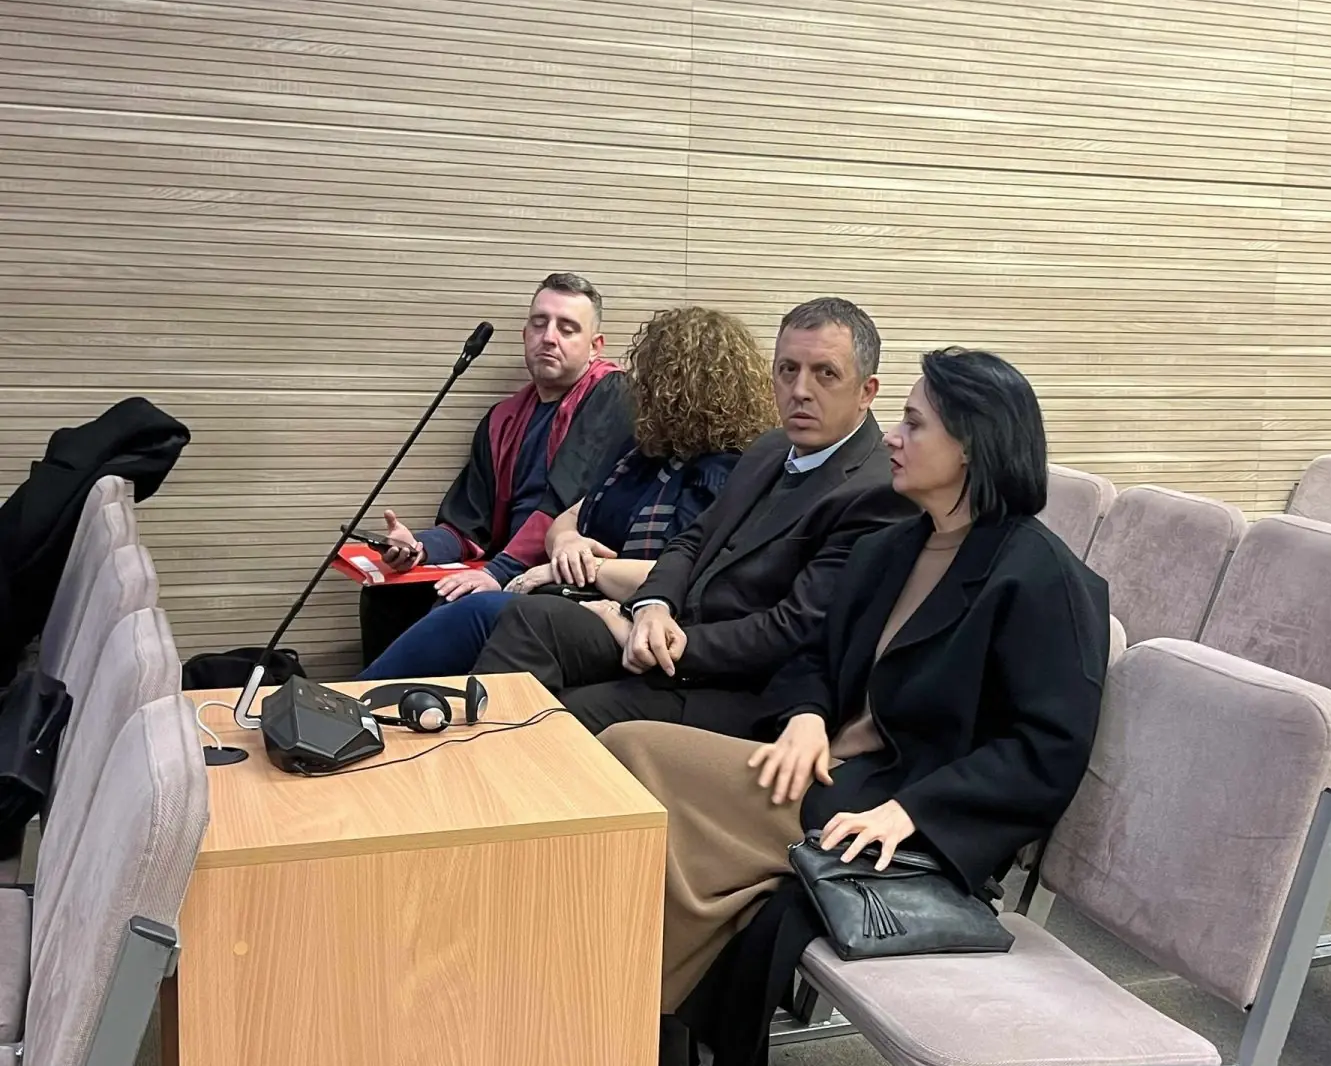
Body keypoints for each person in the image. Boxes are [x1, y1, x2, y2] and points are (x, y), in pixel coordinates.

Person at [596, 348, 1112, 1066]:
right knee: (638, 779)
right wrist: (807, 716)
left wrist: (913, 812)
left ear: (972, 446)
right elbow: (813, 655)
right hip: (827, 771)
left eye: (914, 423)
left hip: (897, 811)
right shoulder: (893, 545)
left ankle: (628, 1036)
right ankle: (635, 1040)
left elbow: (1046, 749)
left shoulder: (1045, 579)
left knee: (632, 759)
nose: (893, 438)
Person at [470, 297, 916, 736]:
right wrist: (653, 606)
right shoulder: (772, 447)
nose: (800, 390)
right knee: (530, 619)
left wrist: (654, 638)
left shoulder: (875, 491)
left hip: (747, 688)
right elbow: (691, 541)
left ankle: (498, 765)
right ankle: (477, 766)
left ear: (866, 392)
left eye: (825, 373)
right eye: (787, 369)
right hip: (673, 630)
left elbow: (793, 630)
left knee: (562, 716)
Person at [355, 306, 780, 680]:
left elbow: (688, 578)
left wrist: (577, 569)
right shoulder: (643, 456)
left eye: (651, 379)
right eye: (539, 323)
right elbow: (567, 516)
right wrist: (567, 542)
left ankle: (356, 708)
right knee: (400, 599)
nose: (639, 391)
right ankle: (366, 710)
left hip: (634, 617)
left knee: (479, 613)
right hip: (584, 592)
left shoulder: (726, 473)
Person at [357, 273, 631, 662]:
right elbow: (470, 523)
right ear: (525, 335)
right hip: (505, 564)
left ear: (595, 346)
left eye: (567, 328)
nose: (549, 337)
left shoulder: (611, 396)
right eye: (539, 323)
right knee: (389, 595)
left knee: (457, 606)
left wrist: (495, 574)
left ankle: (374, 694)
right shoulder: (503, 418)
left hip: (569, 572)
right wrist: (419, 548)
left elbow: (565, 504)